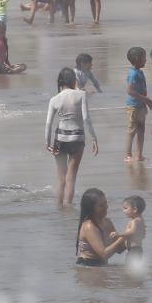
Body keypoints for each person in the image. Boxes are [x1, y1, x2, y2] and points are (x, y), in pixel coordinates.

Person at [46, 67, 100, 209]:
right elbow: (86, 119)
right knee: (71, 178)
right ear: (73, 80)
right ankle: (68, 207)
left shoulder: (54, 99)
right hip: (77, 139)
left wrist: (47, 142)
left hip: (60, 139)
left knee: (61, 178)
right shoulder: (81, 95)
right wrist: (94, 138)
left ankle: (59, 206)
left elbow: (48, 124)